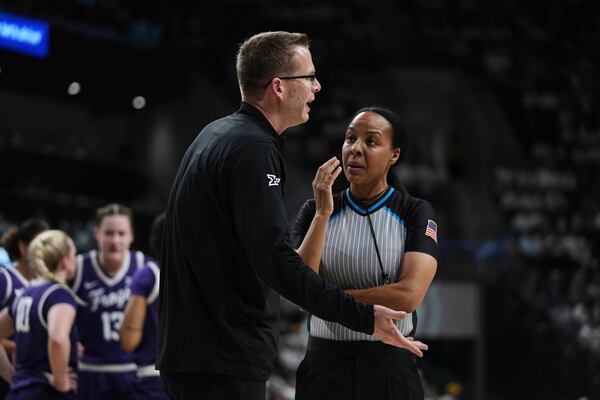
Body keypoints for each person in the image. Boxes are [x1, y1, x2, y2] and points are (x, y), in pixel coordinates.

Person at [157, 31, 427, 400]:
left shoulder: (215, 134)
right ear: (279, 87)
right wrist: (363, 316)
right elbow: (277, 262)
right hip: (223, 354)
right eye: (309, 77)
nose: (317, 87)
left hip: (193, 349)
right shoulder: (253, 148)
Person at [293, 107, 439, 400]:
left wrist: (327, 298)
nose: (355, 149)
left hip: (389, 366)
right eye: (350, 139)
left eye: (371, 142)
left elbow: (409, 295)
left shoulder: (414, 212)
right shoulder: (313, 210)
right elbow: (297, 293)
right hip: (324, 364)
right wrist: (323, 212)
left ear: (394, 155)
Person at [69, 204, 152, 400]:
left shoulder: (144, 268)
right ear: (96, 233)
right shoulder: (77, 268)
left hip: (132, 371)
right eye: (109, 233)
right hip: (89, 370)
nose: (115, 240)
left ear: (132, 236)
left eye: (122, 233)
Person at [0, 230, 80, 399]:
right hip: (45, 392)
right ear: (65, 262)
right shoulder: (59, 295)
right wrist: (61, 383)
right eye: (75, 254)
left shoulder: (25, 293)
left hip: (18, 391)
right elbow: (57, 339)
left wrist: (12, 375)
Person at [119, 213, 167, 400]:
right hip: (195, 379)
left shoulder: (148, 275)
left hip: (154, 379)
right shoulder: (202, 275)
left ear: (153, 242)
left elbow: (129, 341)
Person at [0, 218, 49, 396]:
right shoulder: (4, 278)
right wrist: (12, 347)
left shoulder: (45, 284)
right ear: (24, 247)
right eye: (41, 244)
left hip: (30, 373)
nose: (46, 251)